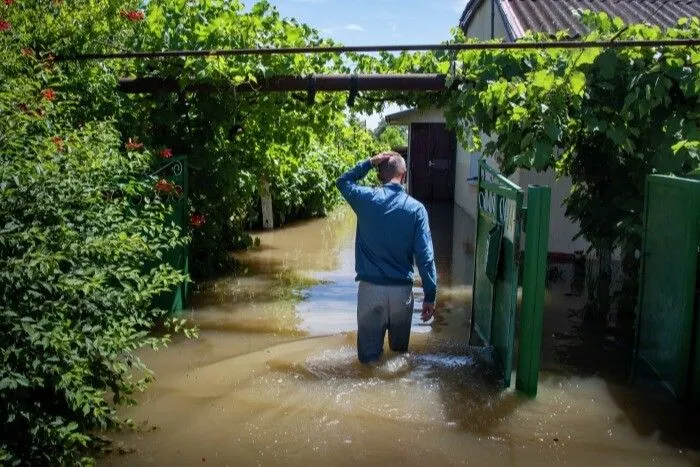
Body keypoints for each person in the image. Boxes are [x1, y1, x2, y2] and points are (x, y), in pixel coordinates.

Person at [336, 151, 438, 364]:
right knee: (398, 361)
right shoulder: (416, 210)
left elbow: (343, 181)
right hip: (402, 294)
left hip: (370, 291)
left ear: (380, 175)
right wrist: (430, 294)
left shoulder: (365, 199)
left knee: (368, 362)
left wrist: (370, 162)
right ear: (404, 175)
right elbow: (425, 257)